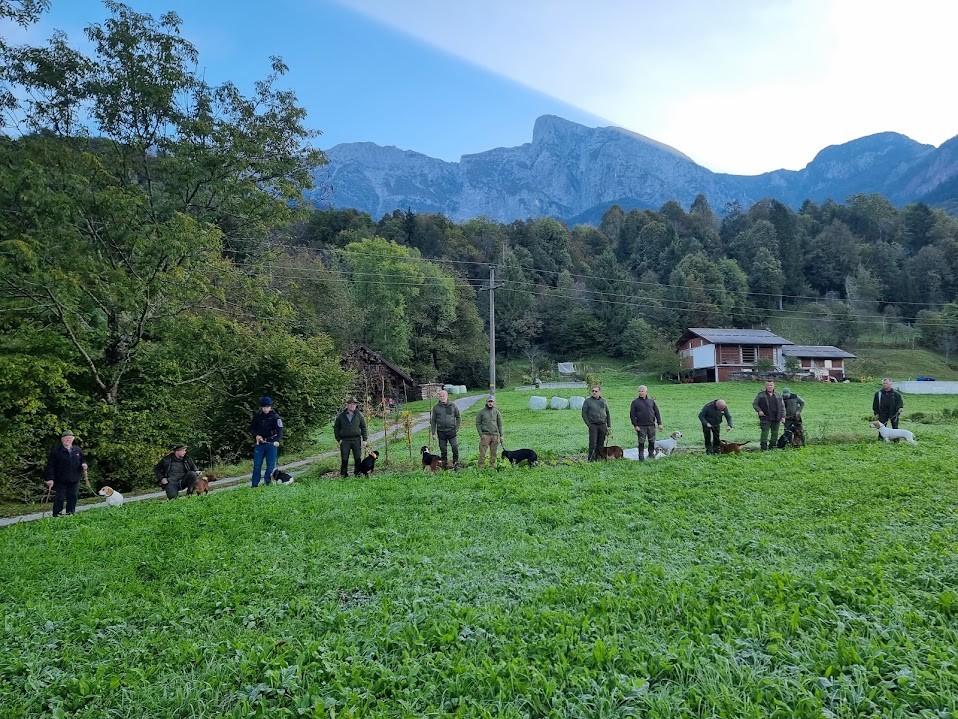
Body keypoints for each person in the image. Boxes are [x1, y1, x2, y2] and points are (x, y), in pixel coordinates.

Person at [44, 430, 87, 517]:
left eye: (70, 438)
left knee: (73, 496)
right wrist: (50, 479)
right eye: (66, 438)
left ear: (73, 439)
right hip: (61, 479)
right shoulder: (56, 451)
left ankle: (70, 514)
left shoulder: (77, 449)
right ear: (62, 439)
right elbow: (50, 466)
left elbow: (83, 459)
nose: (68, 440)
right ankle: (56, 515)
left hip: (75, 478)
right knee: (60, 497)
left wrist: (84, 464)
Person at [250, 396, 284, 486]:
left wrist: (277, 440)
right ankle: (254, 485)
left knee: (270, 466)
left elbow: (280, 430)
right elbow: (252, 428)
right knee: (257, 466)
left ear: (270, 407)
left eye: (267, 407)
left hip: (271, 443)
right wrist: (256, 435)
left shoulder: (275, 417)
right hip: (260, 444)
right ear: (261, 407)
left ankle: (267, 483)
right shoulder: (257, 416)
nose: (265, 409)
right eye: (264, 407)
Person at [333, 396, 368, 477]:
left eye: (354, 404)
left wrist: (365, 439)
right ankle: (344, 474)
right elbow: (336, 428)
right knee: (344, 458)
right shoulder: (341, 416)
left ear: (356, 406)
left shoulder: (359, 415)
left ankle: (357, 472)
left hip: (356, 439)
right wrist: (338, 439)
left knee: (357, 457)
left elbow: (363, 427)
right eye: (351, 404)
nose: (352, 406)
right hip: (345, 440)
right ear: (347, 405)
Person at [629, 385, 663, 461]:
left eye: (642, 391)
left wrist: (659, 423)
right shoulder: (635, 402)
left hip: (651, 425)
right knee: (641, 441)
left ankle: (651, 455)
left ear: (646, 392)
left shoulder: (651, 401)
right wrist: (635, 425)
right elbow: (632, 415)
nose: (641, 393)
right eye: (639, 391)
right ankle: (641, 456)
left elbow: (657, 412)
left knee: (652, 441)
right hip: (641, 426)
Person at [430, 389, 461, 469]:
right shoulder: (436, 408)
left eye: (443, 396)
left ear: (447, 396)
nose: (442, 397)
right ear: (439, 397)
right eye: (440, 396)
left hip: (452, 431)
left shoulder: (453, 405)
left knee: (455, 447)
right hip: (441, 432)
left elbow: (458, 417)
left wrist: (457, 428)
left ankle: (456, 463)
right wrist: (433, 433)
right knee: (443, 450)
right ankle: (444, 466)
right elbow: (433, 421)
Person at [752, 379, 786, 451]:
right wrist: (759, 411)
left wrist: (783, 416)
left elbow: (782, 407)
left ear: (774, 386)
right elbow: (755, 404)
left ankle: (772, 448)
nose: (769, 386)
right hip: (765, 418)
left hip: (776, 418)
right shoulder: (760, 395)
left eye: (771, 385)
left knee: (775, 434)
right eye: (768, 385)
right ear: (765, 386)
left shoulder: (778, 395)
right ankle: (763, 449)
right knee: (765, 433)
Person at [581, 385, 612, 461]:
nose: (594, 392)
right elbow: (584, 413)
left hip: (602, 425)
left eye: (596, 391)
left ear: (599, 392)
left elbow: (607, 413)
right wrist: (589, 424)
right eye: (593, 391)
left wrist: (609, 426)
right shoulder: (588, 401)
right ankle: (591, 459)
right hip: (593, 425)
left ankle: (599, 458)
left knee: (601, 443)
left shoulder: (603, 401)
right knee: (593, 443)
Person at [475, 395, 503, 469]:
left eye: (491, 401)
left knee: (494, 452)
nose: (490, 403)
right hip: (485, 435)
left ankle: (492, 467)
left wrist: (501, 435)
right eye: (489, 401)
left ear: (494, 402)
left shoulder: (496, 412)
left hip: (495, 435)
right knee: (482, 452)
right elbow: (478, 423)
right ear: (486, 402)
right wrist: (481, 434)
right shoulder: (481, 412)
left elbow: (500, 424)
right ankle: (481, 467)